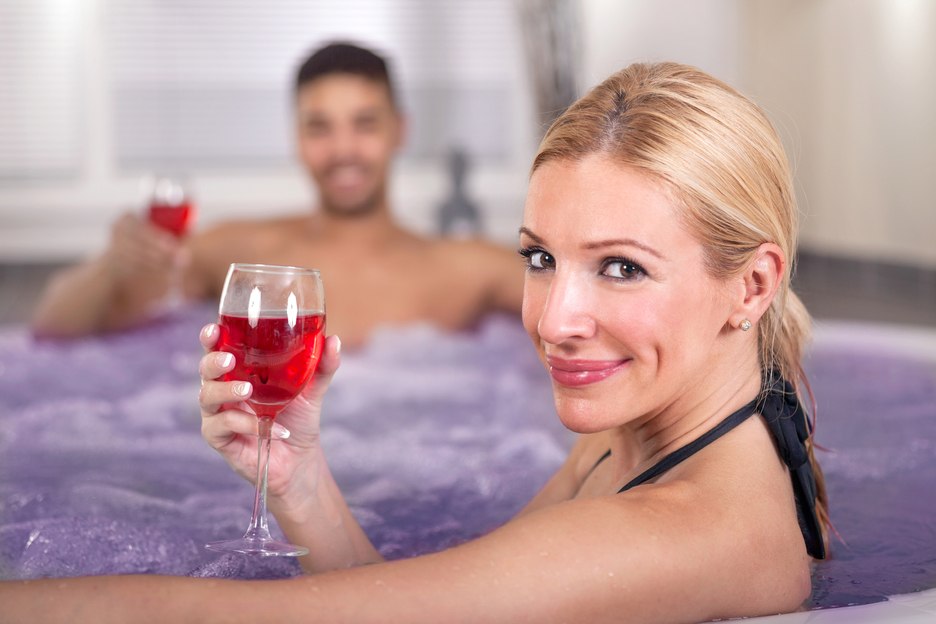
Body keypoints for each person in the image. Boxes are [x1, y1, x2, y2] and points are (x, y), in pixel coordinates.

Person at [2, 61, 829, 623]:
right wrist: (300, 478)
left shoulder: (678, 530)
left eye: (620, 267)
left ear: (752, 286)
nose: (553, 319)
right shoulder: (654, 437)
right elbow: (406, 604)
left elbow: (261, 619)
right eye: (540, 258)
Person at [30, 42, 523, 346]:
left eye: (365, 124)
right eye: (320, 127)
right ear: (297, 138)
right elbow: (53, 331)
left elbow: (578, 311)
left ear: (400, 130)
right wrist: (111, 264)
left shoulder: (464, 269)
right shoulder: (244, 256)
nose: (343, 149)